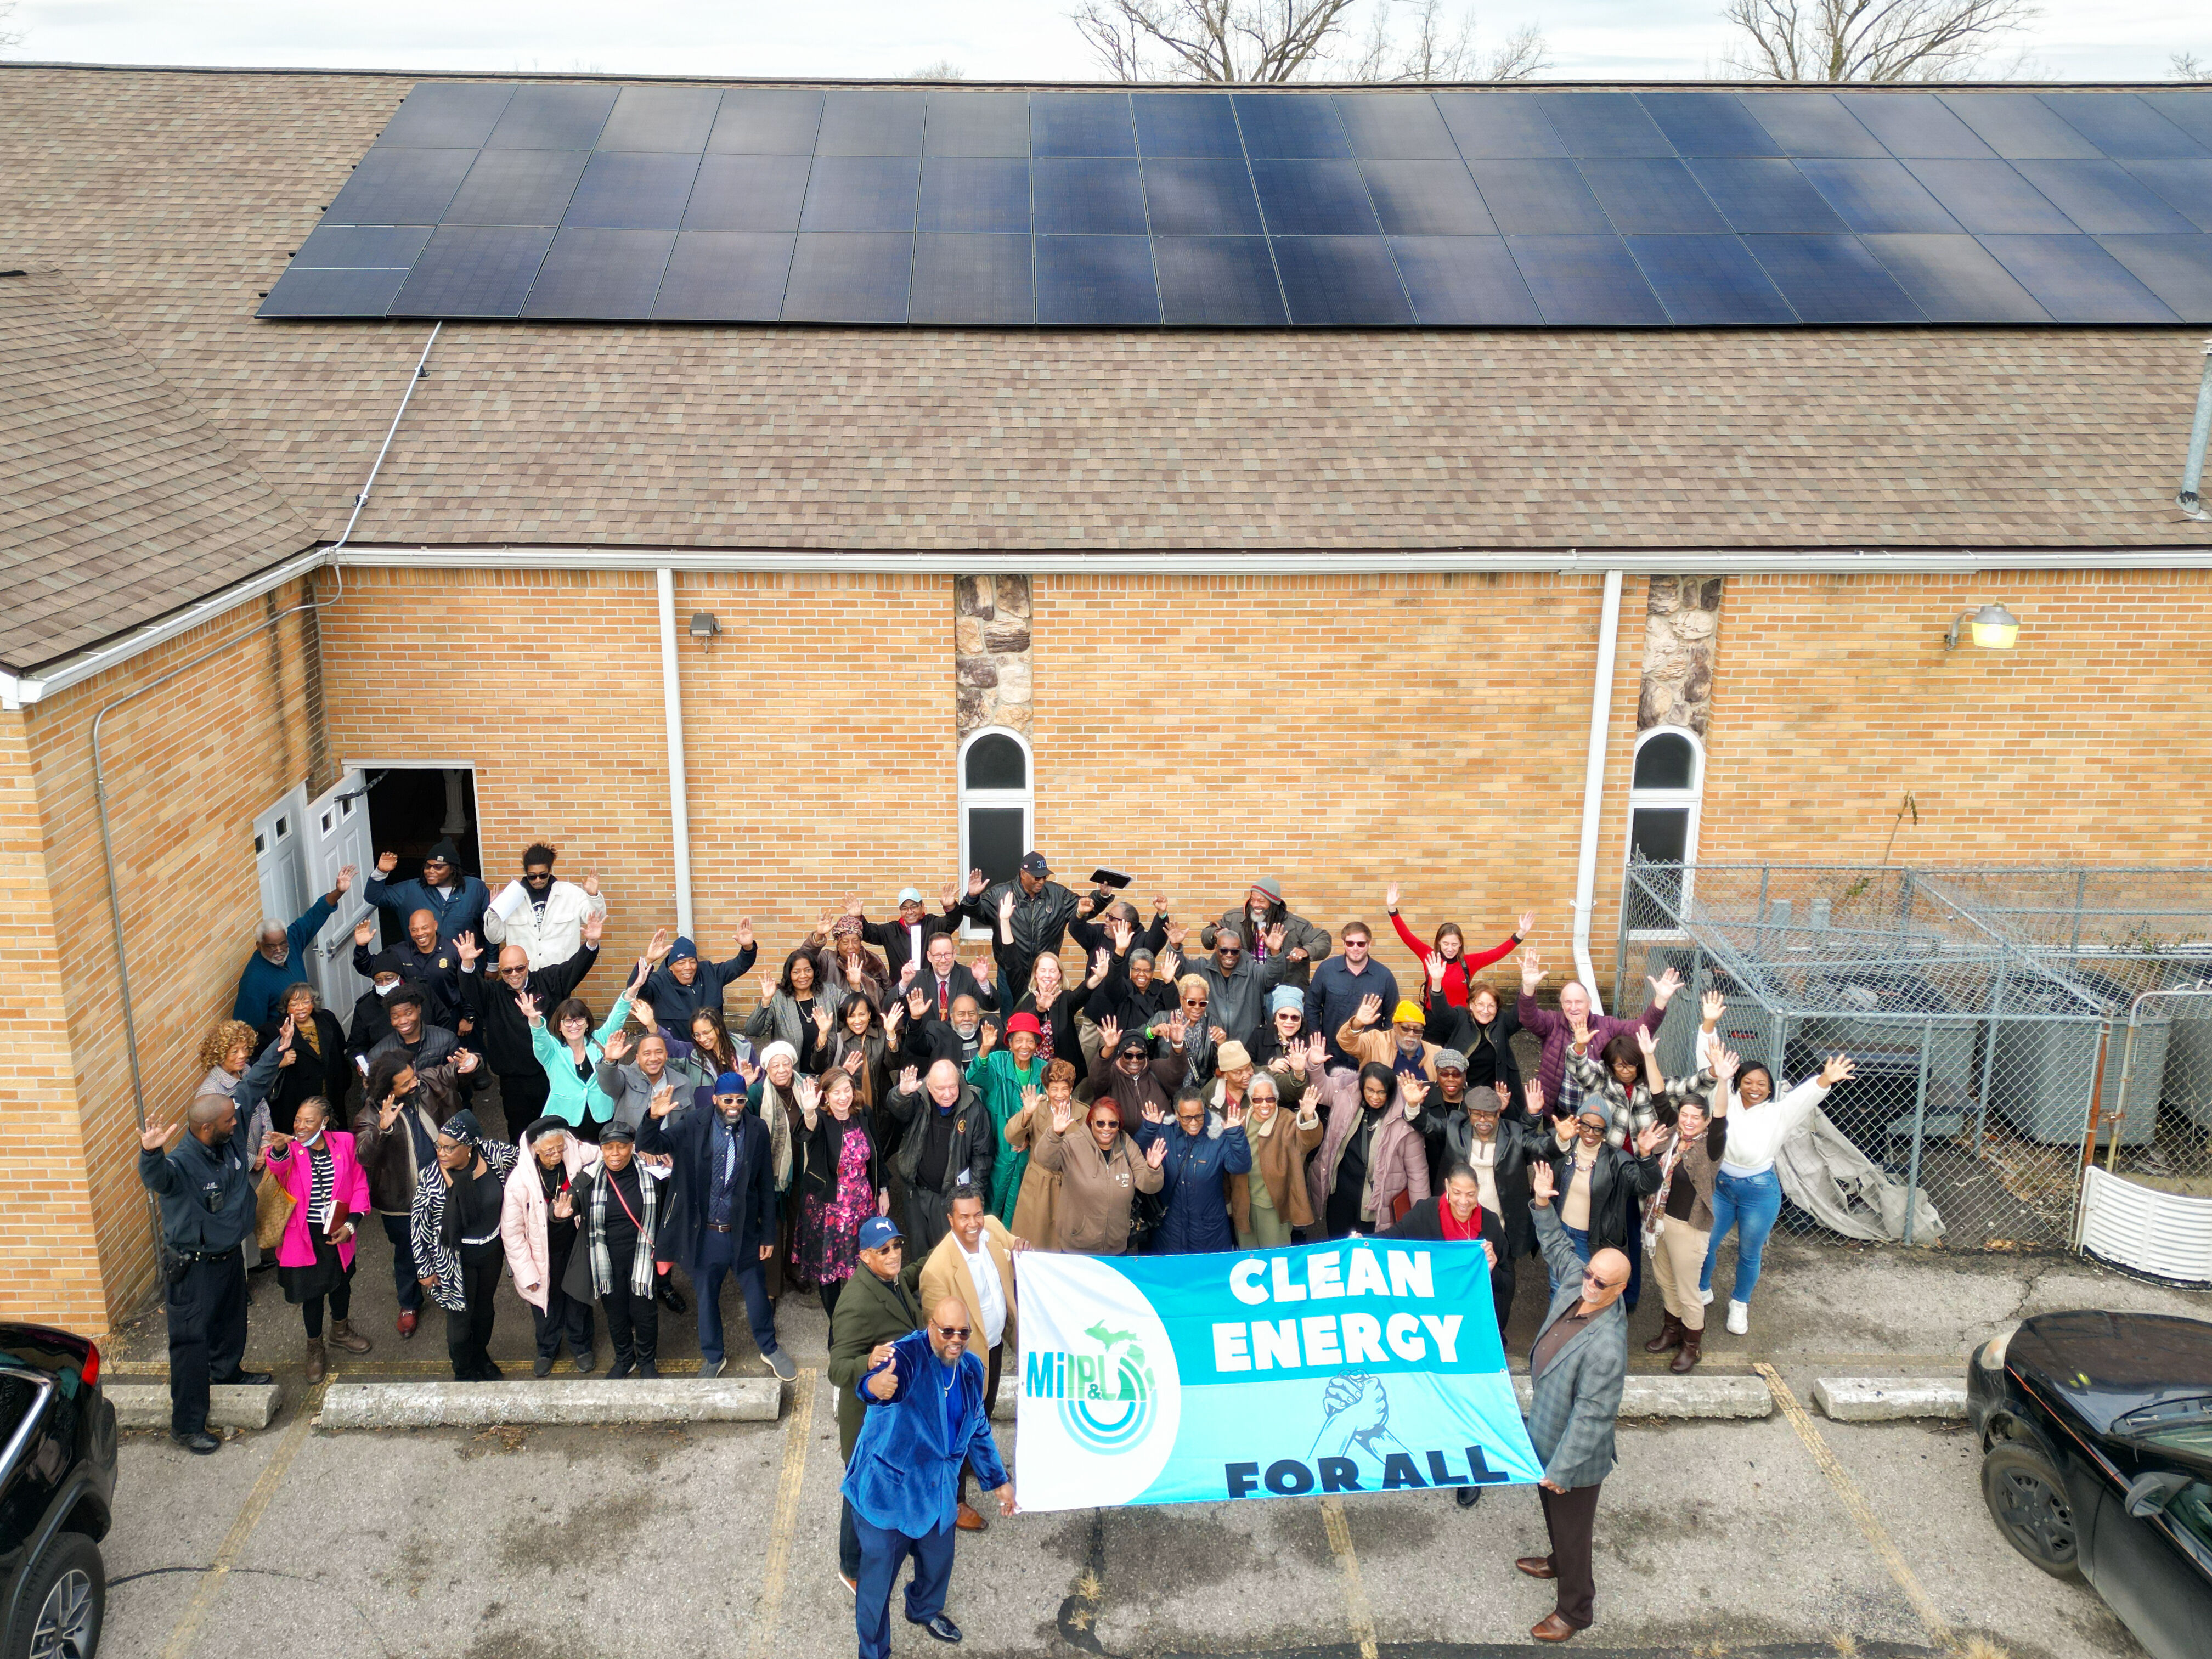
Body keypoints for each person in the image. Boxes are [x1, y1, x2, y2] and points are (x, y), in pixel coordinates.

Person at [844, 1298, 1017, 1659]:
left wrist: (998, 1481)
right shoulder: (906, 1356)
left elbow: (978, 1429)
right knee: (875, 1589)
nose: (956, 1339)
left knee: (938, 1564)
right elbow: (875, 1385)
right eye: (947, 1331)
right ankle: (874, 1652)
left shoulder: (971, 1368)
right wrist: (872, 1386)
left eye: (963, 1333)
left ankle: (922, 1609)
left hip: (938, 1494)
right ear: (930, 1326)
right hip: (890, 1497)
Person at [1517, 1158, 1632, 1644]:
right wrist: (1543, 1203)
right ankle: (1556, 1562)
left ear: (1619, 1290)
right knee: (1552, 1518)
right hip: (1545, 1434)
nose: (1589, 1282)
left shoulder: (1607, 1346)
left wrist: (1562, 1471)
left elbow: (1592, 1416)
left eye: (1600, 1282)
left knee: (1574, 1532)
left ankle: (1575, 1610)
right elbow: (1561, 1248)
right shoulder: (1576, 1285)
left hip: (1574, 1459)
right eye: (1590, 1274)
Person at [137, 1096, 274, 1453]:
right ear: (207, 1128)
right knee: (190, 1344)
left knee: (231, 1319)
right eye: (229, 1121)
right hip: (192, 1268)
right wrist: (151, 1153)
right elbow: (158, 1179)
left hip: (225, 1258)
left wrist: (276, 1054)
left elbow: (251, 1086)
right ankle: (186, 1425)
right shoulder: (181, 1163)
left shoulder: (223, 1142)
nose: (236, 1124)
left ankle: (227, 1371)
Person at [640, 1070, 792, 1380]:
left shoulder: (757, 1128)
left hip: (743, 1233)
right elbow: (652, 1144)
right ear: (715, 1100)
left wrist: (767, 1233)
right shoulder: (694, 1124)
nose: (734, 1106)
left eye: (739, 1099)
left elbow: (764, 1184)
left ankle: (769, 1347)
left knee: (757, 1294)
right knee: (706, 1297)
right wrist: (653, 1117)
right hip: (705, 1234)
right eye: (727, 1100)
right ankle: (713, 1356)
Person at [1377, 1160, 1509, 1508]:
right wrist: (1361, 1244)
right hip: (1432, 1327)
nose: (1464, 1202)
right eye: (1457, 1194)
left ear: (1478, 1194)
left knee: (1471, 1401)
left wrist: (1492, 1270)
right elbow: (1393, 1241)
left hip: (1470, 1330)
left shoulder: (1490, 1224)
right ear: (1447, 1189)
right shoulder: (1425, 1214)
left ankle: (1473, 1472)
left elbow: (1509, 1282)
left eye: (1471, 1195)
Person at [1700, 1048, 1855, 1338]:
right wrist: (1707, 1026)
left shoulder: (1779, 1113)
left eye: (1762, 1084)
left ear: (1771, 1088)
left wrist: (1826, 1078)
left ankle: (1740, 1303)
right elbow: (1706, 1063)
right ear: (1737, 1083)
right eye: (1748, 1082)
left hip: (1759, 1193)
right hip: (1721, 1188)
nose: (1755, 1088)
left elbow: (1804, 1097)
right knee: (1705, 1243)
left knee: (1749, 1251)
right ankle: (1702, 1288)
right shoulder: (1724, 1102)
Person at [828, 1216, 924, 1593]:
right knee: (860, 1492)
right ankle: (851, 1566)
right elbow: (837, 1368)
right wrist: (866, 1364)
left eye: (897, 1245)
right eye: (884, 1250)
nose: (894, 1254)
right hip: (868, 1420)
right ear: (866, 1256)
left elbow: (911, 1274)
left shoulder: (890, 1276)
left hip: (894, 1414)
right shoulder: (855, 1302)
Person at [919, 1185, 1022, 1532]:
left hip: (992, 1350)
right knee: (958, 1431)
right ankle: (956, 1500)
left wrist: (1020, 1246)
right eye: (964, 1217)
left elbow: (1014, 1245)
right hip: (962, 1366)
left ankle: (979, 1463)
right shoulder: (937, 1271)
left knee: (985, 1414)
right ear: (951, 1219)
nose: (974, 1223)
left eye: (977, 1214)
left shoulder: (993, 1228)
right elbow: (939, 1337)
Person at [458, 915, 612, 1131]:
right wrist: (467, 962)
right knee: (520, 1133)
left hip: (552, 1073)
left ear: (528, 965)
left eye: (519, 968)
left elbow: (575, 967)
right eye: (507, 971)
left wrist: (592, 943)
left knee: (557, 1131)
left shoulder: (548, 981)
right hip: (513, 1080)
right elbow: (469, 986)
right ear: (501, 971)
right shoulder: (493, 995)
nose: (514, 975)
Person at [261, 1094, 373, 1382]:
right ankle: (314, 1346)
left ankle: (341, 1331)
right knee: (312, 1295)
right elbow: (278, 1170)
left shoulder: (345, 1142)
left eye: (308, 1121)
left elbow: (359, 1183)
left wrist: (352, 1223)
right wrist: (278, 1150)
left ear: (324, 1123)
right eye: (298, 1120)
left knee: (342, 1283)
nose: (300, 1126)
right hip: (304, 1236)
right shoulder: (292, 1150)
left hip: (338, 1229)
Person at [354, 1050, 459, 1339]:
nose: (415, 1084)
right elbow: (364, 1156)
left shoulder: (421, 1087)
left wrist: (470, 1063)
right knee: (408, 1254)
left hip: (442, 1189)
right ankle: (409, 1304)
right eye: (406, 1083)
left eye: (413, 1077)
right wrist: (383, 1129)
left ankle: (452, 1294)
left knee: (449, 1243)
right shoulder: (368, 1117)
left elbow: (446, 1073)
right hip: (403, 1203)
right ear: (389, 1090)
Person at [1643, 1049, 1736, 1374]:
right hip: (1659, 1222)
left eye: (1696, 1116)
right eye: (1685, 1114)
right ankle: (1672, 1330)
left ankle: (1692, 1346)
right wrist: (1649, 1056)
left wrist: (1723, 1081)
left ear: (1705, 1120)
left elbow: (1722, 1116)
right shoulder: (1672, 1137)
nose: (1689, 1120)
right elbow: (1657, 1096)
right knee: (1665, 1281)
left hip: (1689, 1227)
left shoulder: (1710, 1145)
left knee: (1688, 1290)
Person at [410, 1108, 518, 1381]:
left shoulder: (491, 1153)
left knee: (484, 1311)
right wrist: (424, 1269)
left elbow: (527, 1157)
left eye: (449, 1147)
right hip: (455, 1258)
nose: (442, 1152)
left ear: (469, 1147)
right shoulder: (432, 1177)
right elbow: (419, 1226)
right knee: (460, 1320)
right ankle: (464, 1370)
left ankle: (480, 1356)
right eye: (440, 1146)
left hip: (492, 1250)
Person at [1517, 950, 1678, 1123]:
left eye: (1579, 1002)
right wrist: (1528, 987)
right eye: (1567, 1002)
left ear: (1590, 1003)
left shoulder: (1607, 1026)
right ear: (1562, 1004)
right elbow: (1529, 1017)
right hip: (1559, 1113)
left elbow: (1640, 1030)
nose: (1573, 1007)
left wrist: (1660, 1000)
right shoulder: (1552, 1023)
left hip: (1597, 1116)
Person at [559, 1121, 667, 1378]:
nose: (614, 1154)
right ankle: (624, 1359)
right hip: (606, 1258)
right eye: (608, 1148)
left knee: (644, 1313)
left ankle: (647, 1361)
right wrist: (559, 1215)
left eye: (621, 1147)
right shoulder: (587, 1178)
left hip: (642, 1256)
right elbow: (567, 1204)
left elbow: (670, 1212)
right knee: (616, 1313)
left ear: (633, 1147)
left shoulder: (653, 1175)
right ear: (602, 1149)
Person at [1438, 1071, 1543, 1335]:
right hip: (1462, 1225)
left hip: (1500, 1226)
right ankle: (1462, 1333)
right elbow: (1426, 1126)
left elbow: (1543, 1147)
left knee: (1500, 1285)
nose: (1482, 1121)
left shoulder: (1514, 1133)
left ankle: (1495, 1334)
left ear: (1499, 1115)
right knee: (1459, 1282)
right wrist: (1414, 1105)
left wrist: (1562, 1138)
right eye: (1476, 1115)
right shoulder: (1455, 1127)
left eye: (1489, 1115)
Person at [1536, 1085, 1666, 1294]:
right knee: (1558, 1287)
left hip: (1592, 1240)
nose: (1590, 1133)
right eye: (1585, 1125)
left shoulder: (1617, 1162)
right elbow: (1535, 1150)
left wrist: (1645, 1155)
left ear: (1605, 1132)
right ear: (1578, 1123)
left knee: (1588, 1293)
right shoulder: (1563, 1145)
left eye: (1598, 1129)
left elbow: (1649, 1184)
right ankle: (1559, 1326)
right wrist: (1558, 1138)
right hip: (1560, 1231)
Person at [502, 1116, 600, 1376]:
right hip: (541, 1255)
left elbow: (606, 1154)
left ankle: (582, 1347)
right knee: (546, 1302)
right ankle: (547, 1349)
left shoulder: (573, 1150)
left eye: (560, 1148)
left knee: (578, 1297)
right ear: (534, 1148)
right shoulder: (518, 1183)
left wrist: (584, 1179)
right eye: (550, 1151)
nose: (557, 1154)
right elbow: (512, 1235)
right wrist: (527, 1275)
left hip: (575, 1244)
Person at [794, 1072, 889, 1322]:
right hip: (830, 1209)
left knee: (862, 1266)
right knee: (831, 1272)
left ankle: (858, 1319)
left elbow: (877, 1153)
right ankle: (837, 1323)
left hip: (862, 1204)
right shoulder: (822, 1119)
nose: (842, 1097)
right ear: (825, 1095)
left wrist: (884, 1189)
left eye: (846, 1090)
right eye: (835, 1092)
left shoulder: (863, 1113)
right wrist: (809, 1112)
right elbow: (807, 1132)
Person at [1031, 1092, 1165, 1256]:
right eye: (1100, 1123)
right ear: (1091, 1123)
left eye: (1112, 1124)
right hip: (1077, 1248)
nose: (1106, 1129)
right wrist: (1055, 1134)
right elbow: (1044, 1159)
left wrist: (1152, 1168)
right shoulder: (1073, 1143)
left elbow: (1149, 1186)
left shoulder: (1127, 1145)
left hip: (1116, 1248)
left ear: (1119, 1125)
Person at [883, 1060, 996, 1255]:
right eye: (941, 1088)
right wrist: (902, 1093)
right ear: (928, 1086)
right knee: (919, 1252)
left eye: (952, 1086)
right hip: (915, 1193)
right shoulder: (918, 1098)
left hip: (950, 1198)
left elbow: (982, 1159)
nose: (947, 1093)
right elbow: (898, 1110)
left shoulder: (974, 1109)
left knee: (948, 1254)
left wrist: (971, 1198)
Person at [1310, 1063, 1431, 1239]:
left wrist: (1421, 1219)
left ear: (1390, 1091)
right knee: (1339, 1249)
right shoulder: (1348, 1101)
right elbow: (1322, 1090)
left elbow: (1418, 1173)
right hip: (1341, 1197)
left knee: (1371, 1254)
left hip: (1377, 1205)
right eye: (1370, 1090)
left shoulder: (1404, 1121)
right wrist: (1314, 1066)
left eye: (1382, 1092)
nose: (1375, 1097)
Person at [1128, 1087, 1252, 1255]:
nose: (1193, 1123)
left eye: (1198, 1116)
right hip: (1170, 1232)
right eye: (1187, 1118)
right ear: (1177, 1114)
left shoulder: (1217, 1134)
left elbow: (1240, 1166)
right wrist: (1149, 1129)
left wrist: (1236, 1135)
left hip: (1210, 1232)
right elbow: (1133, 1156)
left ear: (1204, 1110)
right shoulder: (1164, 1132)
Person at [520, 968, 640, 1141]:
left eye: (579, 1019)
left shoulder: (599, 1040)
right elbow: (540, 1038)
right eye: (567, 1021)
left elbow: (617, 1017)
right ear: (560, 1026)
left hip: (602, 1118)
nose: (573, 1025)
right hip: (566, 1122)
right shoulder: (552, 1051)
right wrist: (534, 1019)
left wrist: (632, 991)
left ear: (587, 1023)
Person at [232, 864, 356, 1023]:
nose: (279, 950)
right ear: (259, 946)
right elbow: (249, 1029)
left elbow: (314, 915)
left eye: (283, 944)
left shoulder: (292, 940)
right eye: (271, 946)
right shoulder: (253, 982)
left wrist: (339, 892)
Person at [1385, 883, 1531, 1011]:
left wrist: (1520, 934)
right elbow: (1407, 936)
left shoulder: (1468, 963)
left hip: (1460, 1019)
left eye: (1454, 944)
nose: (1450, 948)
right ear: (1439, 943)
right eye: (1446, 944)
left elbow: (1497, 953)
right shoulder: (1429, 957)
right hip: (1434, 1018)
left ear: (1460, 944)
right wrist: (1393, 909)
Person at [966, 1012, 1045, 1226]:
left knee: (1018, 1205)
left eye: (1030, 1040)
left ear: (1037, 1044)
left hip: (1026, 1151)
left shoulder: (1044, 1069)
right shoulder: (996, 1061)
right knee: (992, 1200)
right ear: (1009, 1043)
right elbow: (974, 1077)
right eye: (1018, 1040)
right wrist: (985, 1048)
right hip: (996, 1142)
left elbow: (1047, 1112)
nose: (1024, 1046)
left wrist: (1030, 1137)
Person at [1229, 1070, 1323, 1249]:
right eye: (1258, 1100)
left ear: (1277, 1099)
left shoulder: (1287, 1120)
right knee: (1249, 1260)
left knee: (1276, 1261)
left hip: (1273, 1208)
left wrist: (1309, 1117)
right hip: (1244, 1205)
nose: (1264, 1104)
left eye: (1270, 1099)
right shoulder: (1238, 1120)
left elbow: (1308, 1142)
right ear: (1251, 1099)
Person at [481, 843, 606, 969]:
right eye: (532, 876)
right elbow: (494, 937)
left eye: (543, 875)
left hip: (561, 973)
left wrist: (593, 896)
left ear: (550, 871)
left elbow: (596, 920)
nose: (538, 880)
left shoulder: (570, 893)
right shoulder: (510, 898)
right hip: (524, 973)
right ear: (526, 873)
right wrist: (493, 912)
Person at [349, 909, 469, 1032]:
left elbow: (467, 986)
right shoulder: (400, 952)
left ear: (435, 926)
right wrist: (361, 948)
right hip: (412, 1019)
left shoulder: (453, 951)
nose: (420, 934)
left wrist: (469, 1017)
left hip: (449, 1016)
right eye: (414, 930)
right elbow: (371, 968)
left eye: (425, 928)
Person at [1000, 1061, 1079, 1248]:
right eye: (1054, 1089)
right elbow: (1011, 1136)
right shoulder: (1037, 1108)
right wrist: (1026, 1114)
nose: (1060, 1095)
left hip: (1071, 1186)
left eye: (1064, 1089)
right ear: (1046, 1089)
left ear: (1072, 1088)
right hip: (1038, 1186)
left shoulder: (1083, 1112)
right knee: (1035, 1245)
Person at [1176, 923, 1293, 1049]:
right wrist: (1175, 946)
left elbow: (1274, 975)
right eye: (1224, 950)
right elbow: (1179, 969)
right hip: (1210, 1049)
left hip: (1247, 1049)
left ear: (1240, 950)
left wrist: (1275, 952)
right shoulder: (1201, 968)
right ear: (1216, 948)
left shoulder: (1253, 972)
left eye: (1235, 951)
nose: (1229, 955)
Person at [255, 983, 351, 1135]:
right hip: (296, 1101)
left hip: (330, 1093)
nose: (301, 1008)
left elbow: (340, 1049)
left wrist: (343, 1081)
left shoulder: (327, 1019)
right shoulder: (274, 1031)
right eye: (294, 1004)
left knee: (334, 1136)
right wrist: (278, 1062)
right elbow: (254, 1064)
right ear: (286, 1007)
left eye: (306, 1002)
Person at [956, 850, 1081, 964]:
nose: (1042, 882)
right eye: (1037, 877)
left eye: (1045, 877)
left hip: (1044, 973)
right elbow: (973, 911)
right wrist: (972, 897)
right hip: (1010, 973)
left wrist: (1100, 897)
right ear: (1023, 874)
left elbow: (1084, 907)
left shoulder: (1057, 894)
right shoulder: (1000, 894)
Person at [1305, 921, 1400, 1068]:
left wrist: (1384, 1047)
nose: (1355, 948)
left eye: (1361, 944)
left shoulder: (1384, 976)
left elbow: (1392, 1016)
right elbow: (1312, 1007)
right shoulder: (1326, 970)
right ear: (1343, 944)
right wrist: (1316, 1039)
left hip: (1368, 1054)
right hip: (1331, 1052)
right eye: (1350, 943)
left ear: (1369, 944)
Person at [1205, 878, 1330, 989]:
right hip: (1245, 987)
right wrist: (1216, 933)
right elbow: (1207, 934)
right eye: (1253, 900)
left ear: (1274, 903)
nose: (1255, 905)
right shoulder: (1234, 919)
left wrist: (1306, 951)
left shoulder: (1296, 925)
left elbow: (1323, 940)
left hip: (1283, 988)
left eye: (1261, 901)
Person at [595, 1015, 708, 1132]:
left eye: (659, 1052)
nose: (653, 1059)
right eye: (647, 1054)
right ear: (638, 1058)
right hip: (633, 1148)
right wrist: (610, 1060)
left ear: (666, 1055)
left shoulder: (682, 1083)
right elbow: (608, 1085)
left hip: (670, 1148)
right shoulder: (624, 1077)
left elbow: (690, 1125)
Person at [364, 839, 489, 944]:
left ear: (453, 869)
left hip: (466, 966)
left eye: (438, 867)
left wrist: (492, 963)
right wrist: (381, 872)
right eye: (428, 866)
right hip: (422, 966)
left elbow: (489, 926)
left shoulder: (475, 888)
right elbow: (374, 897)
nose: (431, 871)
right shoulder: (410, 889)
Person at [747, 948, 841, 1069]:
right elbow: (753, 1030)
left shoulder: (830, 992)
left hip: (828, 1073)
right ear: (789, 975)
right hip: (791, 1075)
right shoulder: (779, 999)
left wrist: (855, 985)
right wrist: (766, 1000)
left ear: (814, 972)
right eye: (796, 972)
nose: (803, 976)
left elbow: (854, 1008)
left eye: (808, 970)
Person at [644, 928, 759, 1025]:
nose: (688, 967)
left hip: (712, 1046)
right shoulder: (658, 982)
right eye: (681, 963)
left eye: (692, 962)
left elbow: (739, 965)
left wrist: (748, 948)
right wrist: (648, 961)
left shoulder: (710, 973)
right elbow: (635, 989)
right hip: (675, 1049)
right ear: (670, 966)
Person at [1335, 995, 1448, 1084]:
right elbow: (1347, 1043)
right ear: (1395, 1027)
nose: (1411, 1034)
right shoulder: (1375, 1041)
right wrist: (1357, 1024)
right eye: (1406, 1029)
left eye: (1417, 1031)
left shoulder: (1436, 1053)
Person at [857, 885, 961, 979]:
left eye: (914, 907)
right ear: (900, 910)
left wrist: (951, 907)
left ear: (922, 907)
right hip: (902, 990)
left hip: (931, 988)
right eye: (905, 908)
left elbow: (952, 921)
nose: (910, 912)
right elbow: (869, 932)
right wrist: (857, 917)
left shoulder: (933, 924)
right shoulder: (891, 931)